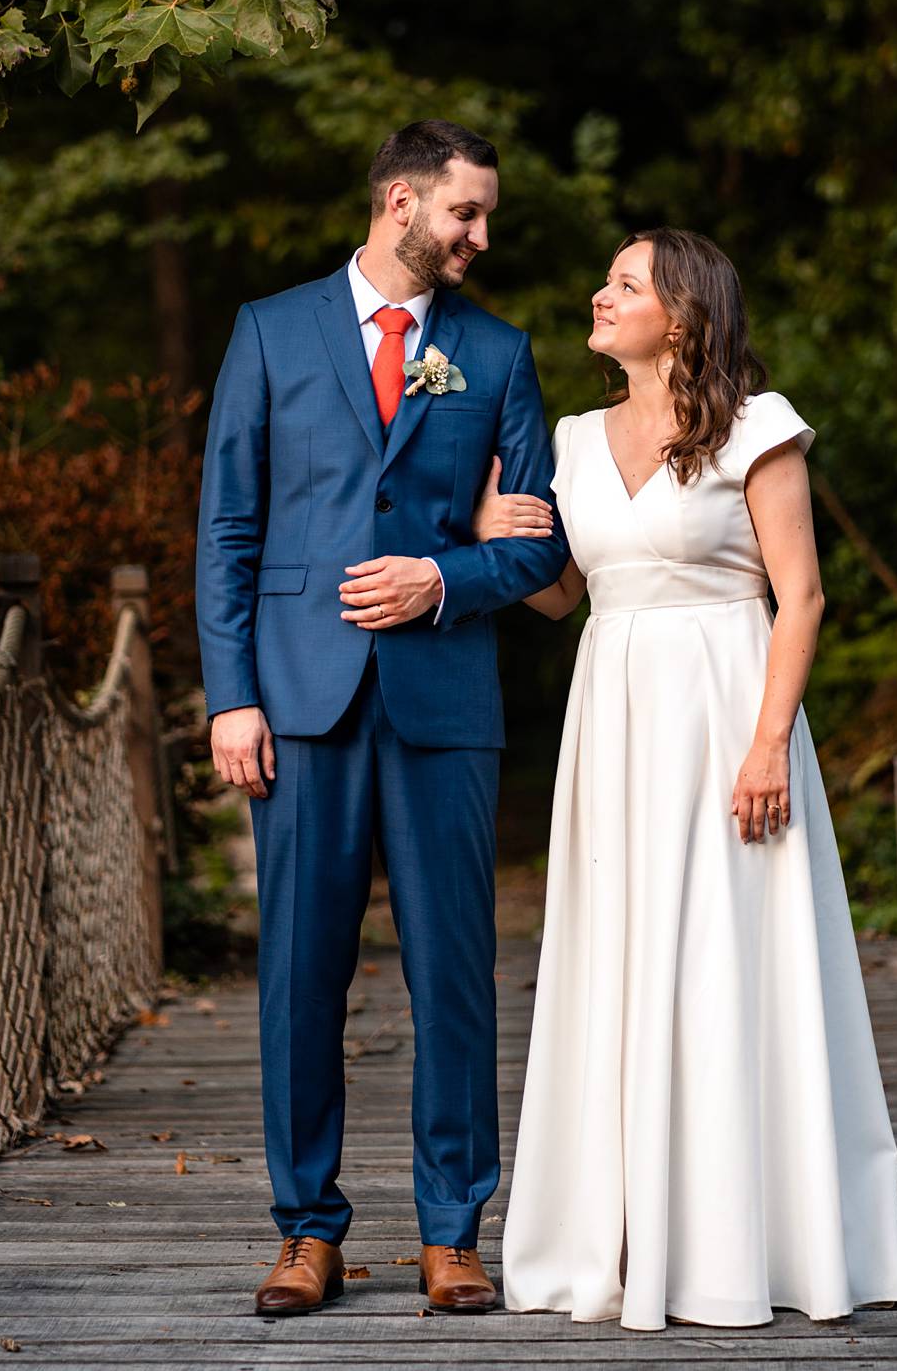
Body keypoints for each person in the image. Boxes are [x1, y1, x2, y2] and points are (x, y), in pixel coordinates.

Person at [473, 227, 897, 1331]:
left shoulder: (756, 425)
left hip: (726, 706)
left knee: (728, 956)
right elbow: (563, 595)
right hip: (613, 711)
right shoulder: (572, 439)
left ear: (682, 312)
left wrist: (766, 744)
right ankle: (621, 1235)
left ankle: (745, 1239)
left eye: (625, 283)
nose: (598, 292)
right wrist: (489, 534)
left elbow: (799, 597)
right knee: (619, 956)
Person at [195, 119, 569, 1318]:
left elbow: (537, 544)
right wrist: (232, 696)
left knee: (454, 973)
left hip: (443, 702)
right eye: (465, 214)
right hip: (297, 702)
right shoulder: (271, 331)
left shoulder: (499, 355)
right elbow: (229, 532)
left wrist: (444, 577)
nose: (479, 236)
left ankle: (452, 1231)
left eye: (486, 217)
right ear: (399, 201)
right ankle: (308, 1229)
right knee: (301, 976)